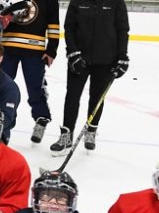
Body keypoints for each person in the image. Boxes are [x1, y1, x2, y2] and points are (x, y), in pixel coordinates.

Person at [53, 0, 130, 154]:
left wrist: (122, 56)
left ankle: (91, 131)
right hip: (79, 59)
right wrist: (72, 52)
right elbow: (69, 27)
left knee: (97, 97)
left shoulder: (116, 2)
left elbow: (122, 30)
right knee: (72, 96)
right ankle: (66, 134)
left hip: (106, 60)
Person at [0, 0, 59, 144]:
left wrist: (52, 49)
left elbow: (53, 23)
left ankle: (41, 119)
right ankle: (2, 122)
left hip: (35, 50)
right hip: (7, 49)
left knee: (35, 86)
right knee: (2, 88)